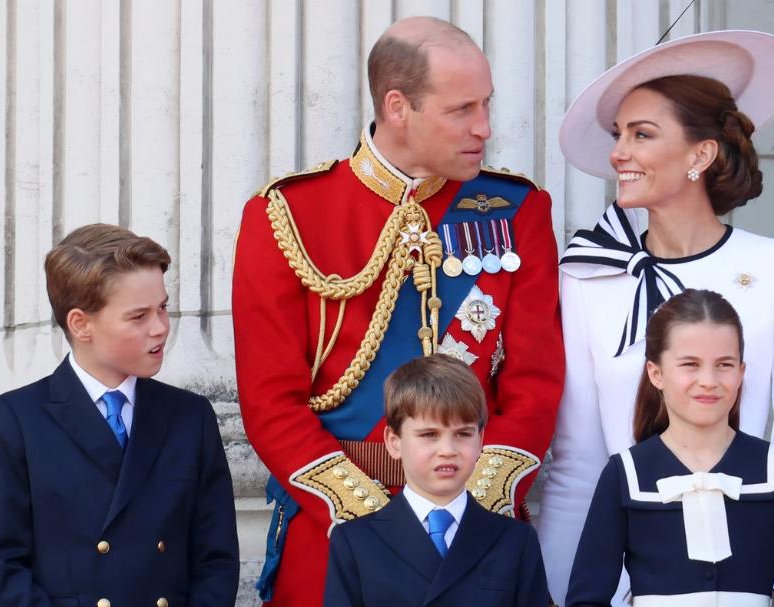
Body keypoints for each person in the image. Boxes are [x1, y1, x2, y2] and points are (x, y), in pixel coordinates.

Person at [233, 15, 563, 606]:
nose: (484, 127)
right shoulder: (286, 214)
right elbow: (269, 401)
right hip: (334, 534)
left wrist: (469, 501)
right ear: (397, 106)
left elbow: (535, 384)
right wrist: (370, 520)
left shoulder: (517, 210)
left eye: (486, 104)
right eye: (462, 109)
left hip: (473, 536)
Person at [537, 30, 774, 605]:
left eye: (642, 134)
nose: (619, 152)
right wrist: (567, 585)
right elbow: (578, 460)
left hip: (742, 580)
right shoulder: (586, 276)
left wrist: (767, 582)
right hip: (625, 587)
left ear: (701, 154)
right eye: (618, 134)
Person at [0, 224, 240, 606]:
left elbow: (216, 559)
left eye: (163, 308)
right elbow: (2, 567)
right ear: (81, 324)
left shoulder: (190, 417)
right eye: (138, 316)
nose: (160, 328)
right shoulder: (15, 419)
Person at [565, 289, 774, 606]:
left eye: (724, 364)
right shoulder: (625, 475)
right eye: (690, 364)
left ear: (741, 372)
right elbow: (586, 599)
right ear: (656, 373)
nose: (708, 380)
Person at [324, 354, 550, 606]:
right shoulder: (355, 541)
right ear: (394, 441)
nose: (447, 450)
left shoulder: (515, 540)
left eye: (463, 434)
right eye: (429, 434)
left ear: (480, 439)